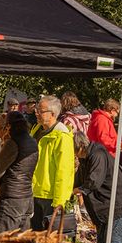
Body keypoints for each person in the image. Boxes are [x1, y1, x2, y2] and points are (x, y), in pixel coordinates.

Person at [31, 96, 75, 230]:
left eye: (41, 111)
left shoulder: (61, 136)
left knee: (48, 240)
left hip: (49, 196)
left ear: (53, 114)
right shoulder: (36, 130)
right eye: (36, 110)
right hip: (34, 192)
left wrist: (59, 201)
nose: (37, 113)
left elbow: (64, 171)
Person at [0, 112, 38, 233]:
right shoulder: (33, 142)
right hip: (27, 198)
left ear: (9, 126)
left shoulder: (13, 143)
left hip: (12, 200)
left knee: (4, 242)